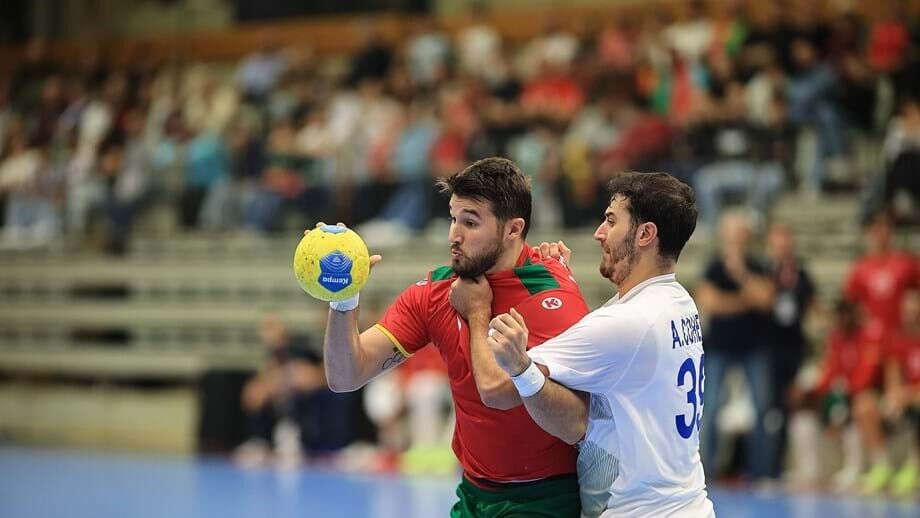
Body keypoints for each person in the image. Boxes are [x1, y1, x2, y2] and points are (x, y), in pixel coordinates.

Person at [317, 157, 591, 517]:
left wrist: (478, 313)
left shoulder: (550, 297)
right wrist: (344, 298)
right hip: (473, 493)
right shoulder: (436, 292)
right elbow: (345, 376)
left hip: (544, 498)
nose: (454, 235)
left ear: (513, 229)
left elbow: (496, 391)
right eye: (453, 218)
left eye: (471, 222)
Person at [463, 172, 714, 517]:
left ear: (645, 234)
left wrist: (479, 316)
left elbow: (495, 388)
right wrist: (562, 279)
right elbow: (612, 351)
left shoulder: (628, 323)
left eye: (611, 221)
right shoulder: (677, 302)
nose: (599, 232)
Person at [697, 211, 777, 481]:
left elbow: (766, 300)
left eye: (740, 232)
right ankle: (705, 472)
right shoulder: (713, 266)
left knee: (762, 409)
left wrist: (740, 273)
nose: (736, 238)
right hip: (719, 346)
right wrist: (745, 300)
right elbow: (709, 303)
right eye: (731, 232)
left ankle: (761, 472)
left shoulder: (758, 265)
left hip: (754, 347)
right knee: (710, 410)